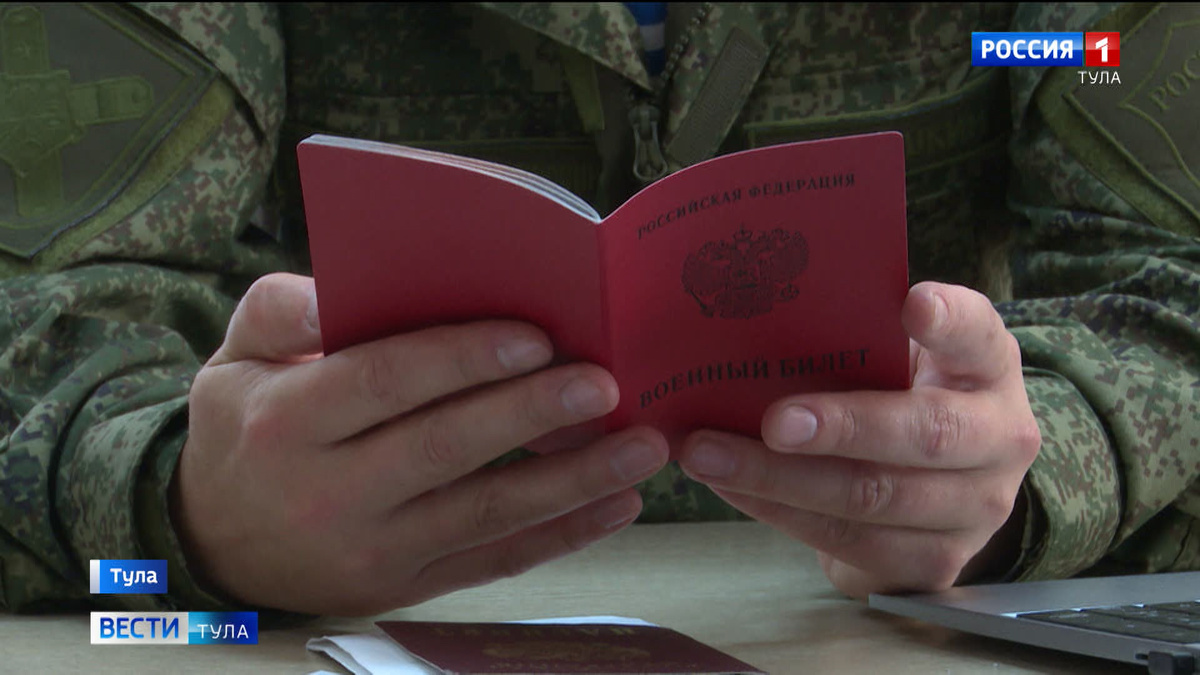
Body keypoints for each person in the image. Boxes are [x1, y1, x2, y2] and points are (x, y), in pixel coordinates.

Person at [1, 2, 1196, 618]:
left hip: (904, 626)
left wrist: (1024, 471)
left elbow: (1169, 264)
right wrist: (181, 509)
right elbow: (45, 309)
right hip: (276, 625)